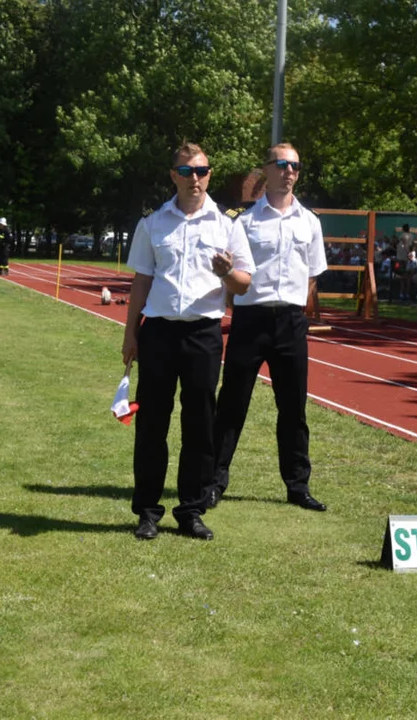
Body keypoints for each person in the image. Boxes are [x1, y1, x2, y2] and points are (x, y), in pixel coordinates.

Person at [122, 142, 254, 541]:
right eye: (185, 171)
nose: (194, 178)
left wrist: (228, 273)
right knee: (151, 425)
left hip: (203, 334)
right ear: (173, 175)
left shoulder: (228, 224)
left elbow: (244, 285)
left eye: (201, 171)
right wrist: (130, 334)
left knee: (199, 426)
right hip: (159, 332)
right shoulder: (153, 222)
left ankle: (191, 510)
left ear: (209, 174)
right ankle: (147, 510)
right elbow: (142, 280)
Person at [208, 143, 329, 514]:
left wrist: (295, 310)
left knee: (293, 408)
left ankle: (297, 486)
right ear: (267, 170)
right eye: (282, 164)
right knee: (232, 404)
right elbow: (232, 276)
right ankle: (212, 481)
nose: (289, 171)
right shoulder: (242, 220)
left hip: (291, 322)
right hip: (251, 320)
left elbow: (311, 276)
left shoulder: (309, 222)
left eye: (295, 165)